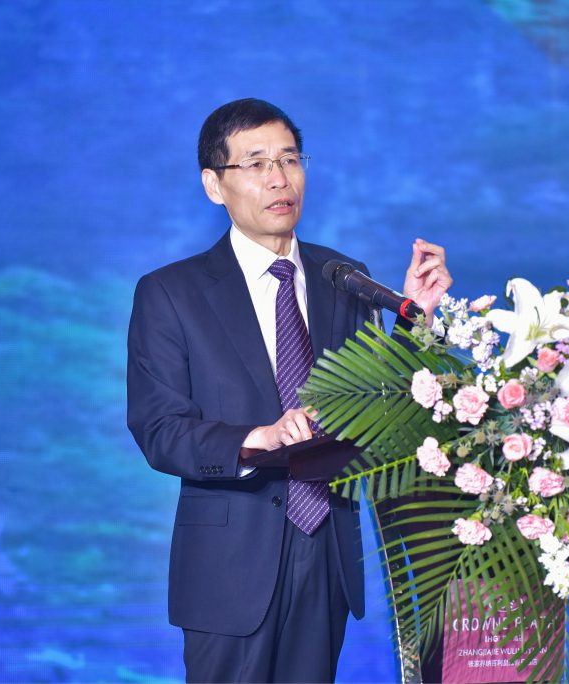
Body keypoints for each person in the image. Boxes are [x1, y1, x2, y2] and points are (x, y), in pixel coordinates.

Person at [127, 98, 451, 683]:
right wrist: (259, 437)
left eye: (290, 159)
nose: (279, 178)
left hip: (325, 548)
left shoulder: (344, 277)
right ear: (214, 185)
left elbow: (379, 405)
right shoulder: (171, 293)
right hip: (230, 565)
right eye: (255, 164)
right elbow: (159, 429)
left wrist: (416, 321)